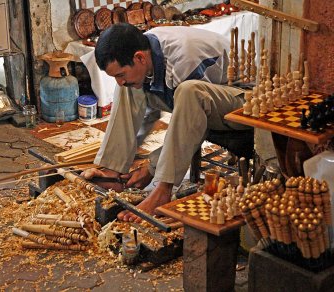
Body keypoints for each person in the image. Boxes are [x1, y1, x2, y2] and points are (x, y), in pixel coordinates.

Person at [82, 23, 251, 222]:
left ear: (140, 57)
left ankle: (162, 190)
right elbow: (152, 110)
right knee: (128, 86)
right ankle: (113, 170)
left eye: (119, 74)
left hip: (245, 103)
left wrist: (152, 168)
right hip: (205, 99)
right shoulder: (145, 46)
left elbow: (195, 125)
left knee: (189, 92)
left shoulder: (185, 59)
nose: (118, 81)